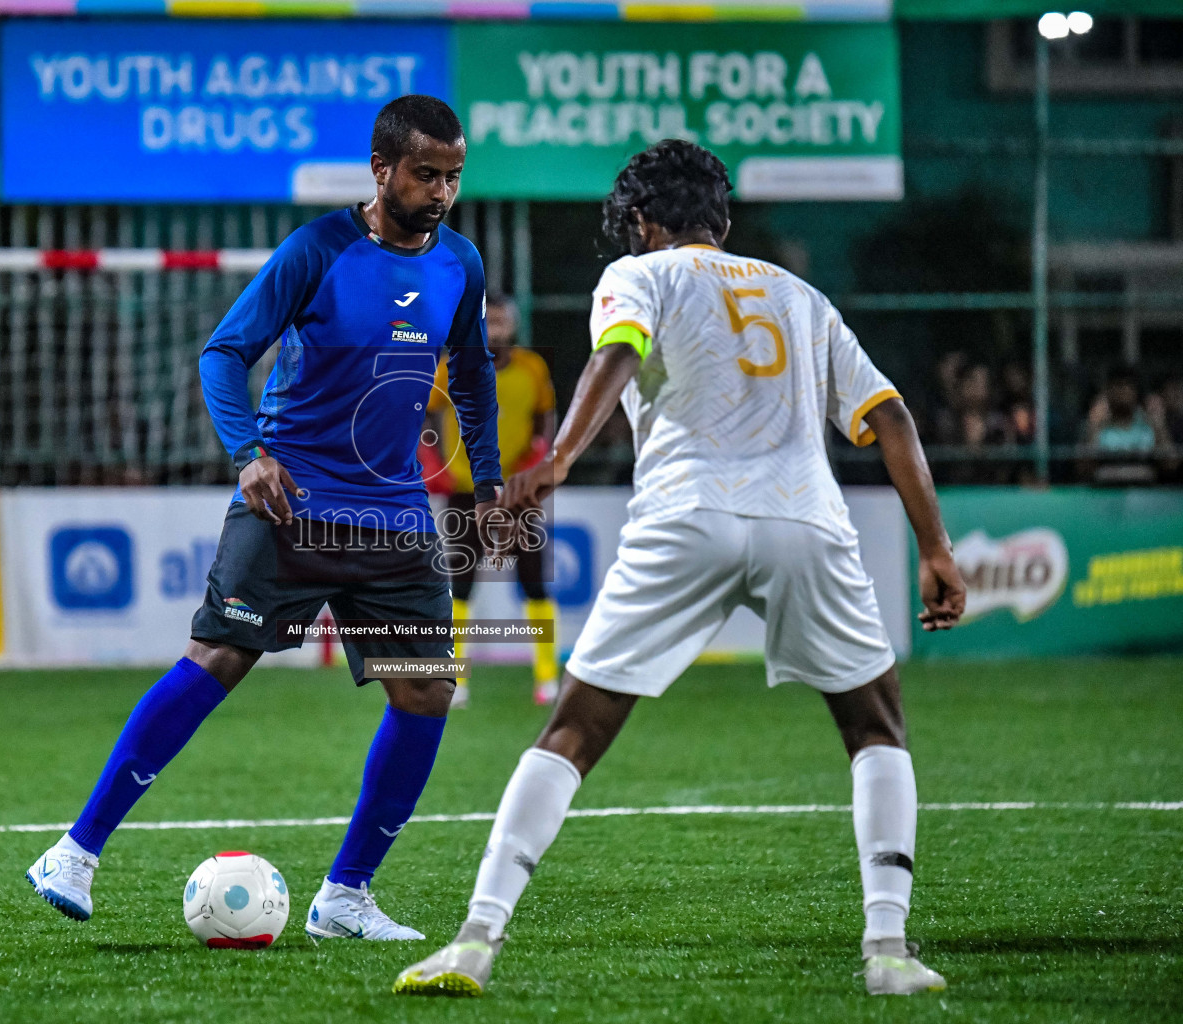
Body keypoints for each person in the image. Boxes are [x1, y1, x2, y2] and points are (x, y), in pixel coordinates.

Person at [394, 140, 966, 998]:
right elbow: (891, 418)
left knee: (573, 732)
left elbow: (614, 356)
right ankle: (888, 949)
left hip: (685, 516)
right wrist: (936, 549)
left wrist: (554, 464)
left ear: (641, 223)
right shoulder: (801, 297)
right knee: (876, 726)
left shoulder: (643, 274)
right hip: (805, 521)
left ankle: (476, 938)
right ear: (723, 222)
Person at [27, 95, 503, 942]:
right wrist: (249, 454)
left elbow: (471, 374)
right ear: (381, 169)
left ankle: (345, 897)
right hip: (293, 501)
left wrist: (491, 481)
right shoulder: (316, 250)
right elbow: (223, 351)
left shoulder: (461, 263)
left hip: (392, 515)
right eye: (426, 174)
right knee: (216, 658)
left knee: (427, 691)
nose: (440, 192)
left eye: (453, 177)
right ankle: (75, 850)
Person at [426, 293, 558, 707]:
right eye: (489, 321)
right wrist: (436, 466)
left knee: (535, 579)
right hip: (466, 490)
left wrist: (536, 470)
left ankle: (547, 678)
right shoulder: (452, 367)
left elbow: (545, 421)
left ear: (513, 326)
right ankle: (456, 681)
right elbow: (426, 415)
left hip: (517, 493)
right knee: (460, 584)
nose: (496, 328)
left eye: (502, 321)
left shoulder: (532, 368)